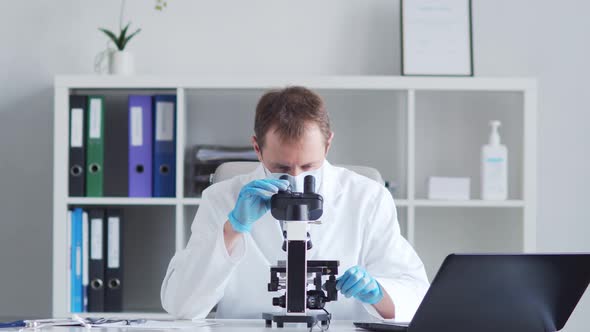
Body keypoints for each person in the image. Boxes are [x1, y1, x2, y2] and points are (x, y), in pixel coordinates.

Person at [161, 86, 429, 321]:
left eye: (309, 167)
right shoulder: (221, 199)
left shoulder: (368, 198)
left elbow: (416, 294)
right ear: (257, 148)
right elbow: (181, 306)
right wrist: (232, 229)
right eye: (282, 167)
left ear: (328, 144)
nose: (296, 179)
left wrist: (378, 293)